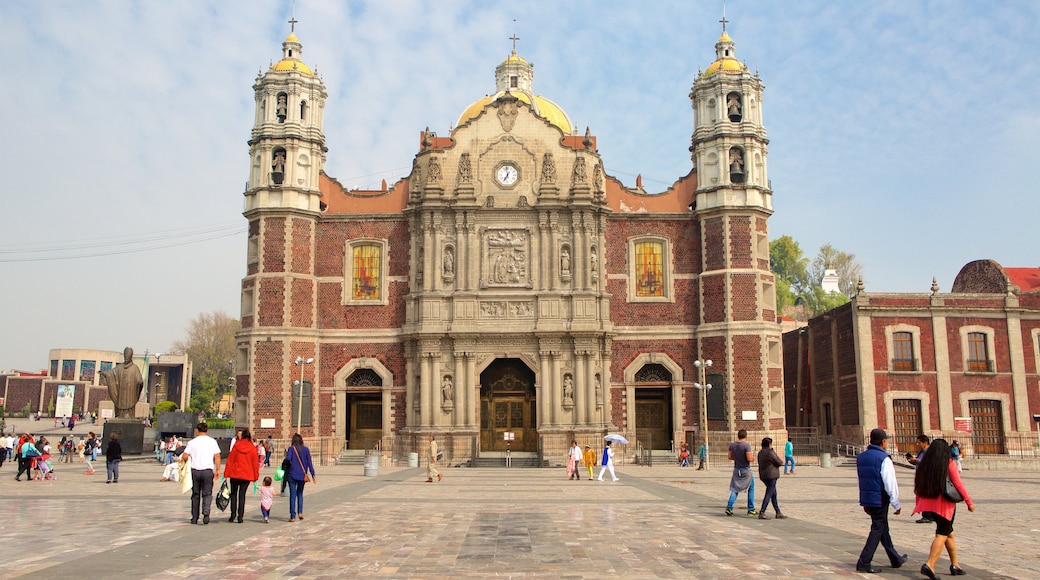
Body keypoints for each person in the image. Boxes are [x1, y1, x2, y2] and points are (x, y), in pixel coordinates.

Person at [912, 438, 975, 579]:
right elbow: (958, 483)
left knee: (949, 533)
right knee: (942, 533)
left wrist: (919, 503)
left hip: (930, 504)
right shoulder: (949, 463)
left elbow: (918, 484)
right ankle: (930, 564)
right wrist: (969, 502)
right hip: (945, 504)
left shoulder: (925, 464)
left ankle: (955, 564)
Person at [855, 428, 908, 573]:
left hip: (868, 497)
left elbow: (862, 480)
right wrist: (895, 502)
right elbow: (889, 482)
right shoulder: (883, 458)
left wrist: (864, 501)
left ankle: (895, 558)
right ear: (883, 442)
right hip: (879, 498)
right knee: (877, 529)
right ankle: (864, 562)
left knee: (882, 527)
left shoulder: (862, 457)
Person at [180, 422, 222, 525]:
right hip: (207, 470)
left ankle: (194, 517)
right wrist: (217, 470)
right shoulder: (212, 442)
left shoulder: (192, 442)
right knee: (207, 493)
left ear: (197, 431)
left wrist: (187, 460)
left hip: (195, 471)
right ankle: (206, 510)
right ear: (207, 431)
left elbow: (185, 456)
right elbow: (217, 456)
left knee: (195, 494)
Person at [224, 428, 260, 524]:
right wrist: (256, 477)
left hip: (235, 473)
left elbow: (230, 460)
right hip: (246, 475)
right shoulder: (252, 448)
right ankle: (240, 516)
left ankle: (232, 515)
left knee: (233, 494)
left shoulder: (236, 446)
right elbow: (255, 464)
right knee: (242, 495)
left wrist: (226, 474)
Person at [99, 347, 145, 419]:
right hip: (121, 392)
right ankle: (120, 415)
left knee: (130, 405)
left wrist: (140, 382)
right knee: (121, 404)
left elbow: (139, 379)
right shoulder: (119, 367)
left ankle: (129, 414)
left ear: (131, 356)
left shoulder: (135, 368)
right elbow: (111, 373)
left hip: (131, 393)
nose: (126, 358)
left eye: (128, 356)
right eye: (125, 356)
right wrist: (104, 373)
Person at [285, 433, 316, 522]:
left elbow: (288, 459)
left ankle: (292, 516)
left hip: (292, 474)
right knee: (300, 494)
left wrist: (287, 459)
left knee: (292, 495)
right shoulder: (306, 449)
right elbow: (310, 462)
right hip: (302, 475)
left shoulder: (291, 449)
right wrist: (313, 474)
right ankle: (300, 512)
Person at [725, 429, 756, 516]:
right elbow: (749, 458)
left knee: (735, 489)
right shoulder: (746, 445)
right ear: (746, 436)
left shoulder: (732, 445)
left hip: (736, 469)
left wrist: (737, 458)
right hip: (745, 469)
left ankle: (729, 507)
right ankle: (751, 508)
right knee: (751, 488)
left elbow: (730, 457)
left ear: (738, 436)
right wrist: (753, 458)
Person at [757, 437, 785, 520]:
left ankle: (778, 512)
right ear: (769, 444)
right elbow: (779, 462)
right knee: (769, 493)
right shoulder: (770, 452)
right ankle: (762, 511)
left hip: (764, 475)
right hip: (771, 475)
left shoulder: (760, 452)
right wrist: (772, 450)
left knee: (773, 494)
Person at [906, 434, 932, 524]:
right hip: (921, 476)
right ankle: (929, 514)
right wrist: (913, 461)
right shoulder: (922, 451)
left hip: (927, 477)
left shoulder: (930, 451)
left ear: (925, 443)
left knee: (926, 496)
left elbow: (929, 463)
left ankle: (927, 515)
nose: (917, 445)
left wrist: (916, 460)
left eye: (919, 443)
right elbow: (920, 462)